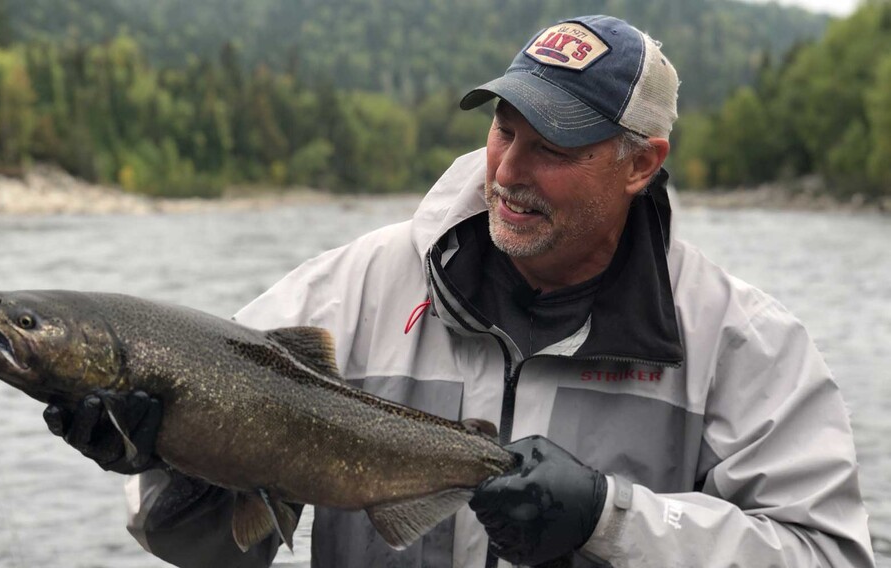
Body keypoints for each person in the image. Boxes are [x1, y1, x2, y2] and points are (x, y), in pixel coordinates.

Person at [43, 15, 876, 568]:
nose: (509, 171)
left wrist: (610, 522)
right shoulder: (349, 293)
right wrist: (169, 462)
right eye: (503, 128)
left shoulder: (743, 345)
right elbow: (214, 546)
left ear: (641, 164)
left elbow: (829, 556)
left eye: (553, 144)